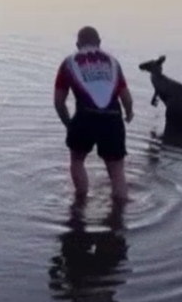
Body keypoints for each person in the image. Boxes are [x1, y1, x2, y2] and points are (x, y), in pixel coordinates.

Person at [54, 26, 134, 202]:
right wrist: (129, 114)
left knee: (77, 161)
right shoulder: (113, 62)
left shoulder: (68, 63)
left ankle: (80, 203)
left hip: (84, 116)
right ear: (99, 43)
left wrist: (69, 125)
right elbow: (126, 98)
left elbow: (59, 102)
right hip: (112, 117)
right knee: (117, 172)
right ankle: (119, 216)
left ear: (77, 44)